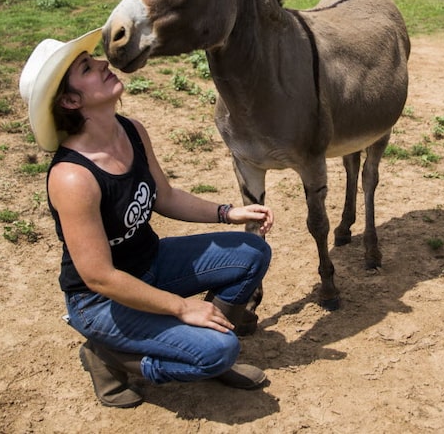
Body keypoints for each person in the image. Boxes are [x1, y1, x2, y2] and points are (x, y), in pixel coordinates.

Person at [18, 28, 273, 408]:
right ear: (71, 100)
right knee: (219, 351)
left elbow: (164, 196)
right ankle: (110, 357)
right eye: (88, 67)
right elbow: (99, 276)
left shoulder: (131, 130)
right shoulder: (72, 177)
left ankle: (202, 337)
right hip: (101, 302)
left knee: (251, 251)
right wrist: (182, 307)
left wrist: (226, 213)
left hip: (151, 263)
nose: (104, 62)